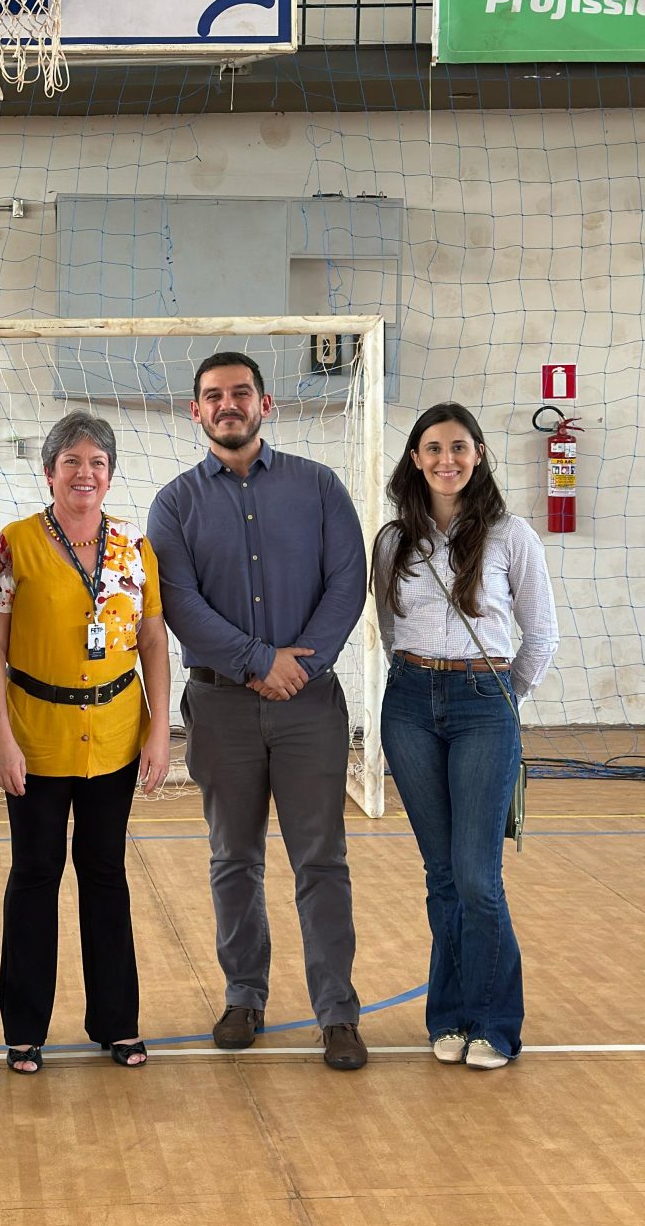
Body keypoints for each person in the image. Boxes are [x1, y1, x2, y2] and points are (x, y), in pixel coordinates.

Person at [147, 352, 369, 1070]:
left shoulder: (319, 486)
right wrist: (256, 660)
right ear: (196, 411)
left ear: (265, 404)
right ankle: (244, 994)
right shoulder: (174, 504)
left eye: (241, 392)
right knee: (233, 859)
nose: (228, 404)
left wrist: (298, 664)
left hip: (310, 703)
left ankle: (337, 1012)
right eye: (213, 395)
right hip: (220, 707)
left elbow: (349, 580)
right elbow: (179, 603)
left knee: (321, 860)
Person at [0, 412, 172, 1075]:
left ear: (110, 475)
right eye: (72, 462)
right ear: (49, 472)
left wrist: (159, 729)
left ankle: (117, 1022)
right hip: (36, 736)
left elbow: (152, 641)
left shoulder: (135, 547)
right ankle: (24, 1028)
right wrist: (0, 738)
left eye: (97, 463)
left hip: (114, 735)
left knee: (105, 872)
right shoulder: (13, 544)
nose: (85, 474)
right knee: (35, 874)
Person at [372, 402, 558, 1070]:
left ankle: (496, 1023)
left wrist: (501, 698)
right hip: (409, 705)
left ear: (477, 454)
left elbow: (540, 636)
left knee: (479, 877)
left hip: (485, 704)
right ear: (415, 459)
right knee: (443, 874)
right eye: (433, 448)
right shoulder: (393, 541)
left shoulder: (512, 536)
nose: (446, 459)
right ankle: (449, 1016)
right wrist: (420, 682)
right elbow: (389, 630)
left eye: (458, 447)